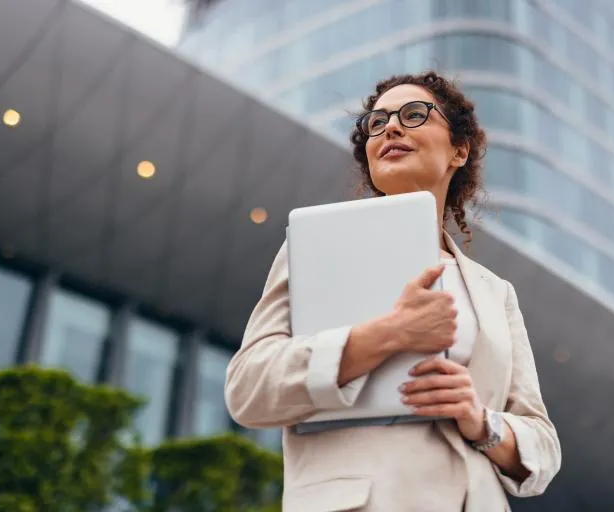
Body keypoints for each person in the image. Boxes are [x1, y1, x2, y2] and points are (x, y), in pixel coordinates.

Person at [224, 71, 561, 512]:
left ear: (459, 151)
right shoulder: (318, 246)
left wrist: (480, 421)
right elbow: (249, 388)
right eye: (376, 122)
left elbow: (543, 445)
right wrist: (387, 335)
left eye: (414, 114)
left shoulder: (495, 292)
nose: (391, 128)